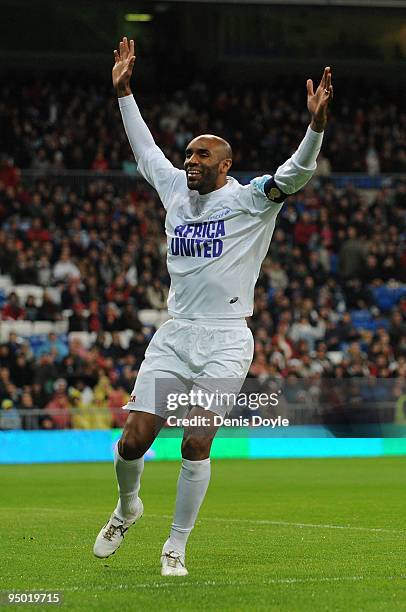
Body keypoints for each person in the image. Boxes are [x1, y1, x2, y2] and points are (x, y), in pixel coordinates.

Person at [93, 37, 333, 576]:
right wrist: (125, 92)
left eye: (203, 155)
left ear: (226, 164)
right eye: (189, 154)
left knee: (196, 439)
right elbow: (144, 149)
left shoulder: (250, 199)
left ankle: (175, 544)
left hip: (226, 338)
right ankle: (128, 506)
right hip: (176, 336)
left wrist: (315, 128)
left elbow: (295, 173)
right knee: (133, 443)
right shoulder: (174, 188)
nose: (190, 160)